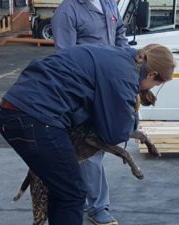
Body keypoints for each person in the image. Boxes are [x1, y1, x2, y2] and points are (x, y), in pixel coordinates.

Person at [0, 43, 175, 225]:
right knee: (72, 193)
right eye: (156, 84)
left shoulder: (117, 56)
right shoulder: (125, 75)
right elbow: (115, 134)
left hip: (14, 110)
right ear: (152, 75)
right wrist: (132, 114)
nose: (151, 89)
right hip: (35, 118)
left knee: (63, 190)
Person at [51, 1, 129, 224]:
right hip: (85, 91)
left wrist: (125, 62)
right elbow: (65, 58)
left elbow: (119, 34)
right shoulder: (67, 12)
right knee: (89, 150)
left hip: (108, 86)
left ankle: (89, 201)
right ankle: (96, 208)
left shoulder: (109, 4)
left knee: (102, 144)